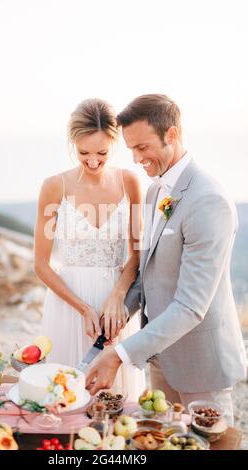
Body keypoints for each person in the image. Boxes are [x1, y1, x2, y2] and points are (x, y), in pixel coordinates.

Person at [86, 94, 247, 424]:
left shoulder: (209, 200)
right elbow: (152, 272)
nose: (136, 159)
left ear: (171, 135)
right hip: (161, 357)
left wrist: (121, 354)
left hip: (202, 365)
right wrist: (119, 314)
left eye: (143, 148)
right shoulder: (155, 191)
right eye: (131, 149)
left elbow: (191, 306)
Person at [34, 98, 146, 400]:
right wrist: (83, 308)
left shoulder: (129, 181)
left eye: (102, 152)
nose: (93, 160)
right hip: (67, 303)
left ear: (114, 143)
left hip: (116, 305)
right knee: (63, 398)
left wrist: (119, 296)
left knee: (116, 400)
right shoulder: (54, 186)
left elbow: (138, 251)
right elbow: (41, 265)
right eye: (84, 152)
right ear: (73, 143)